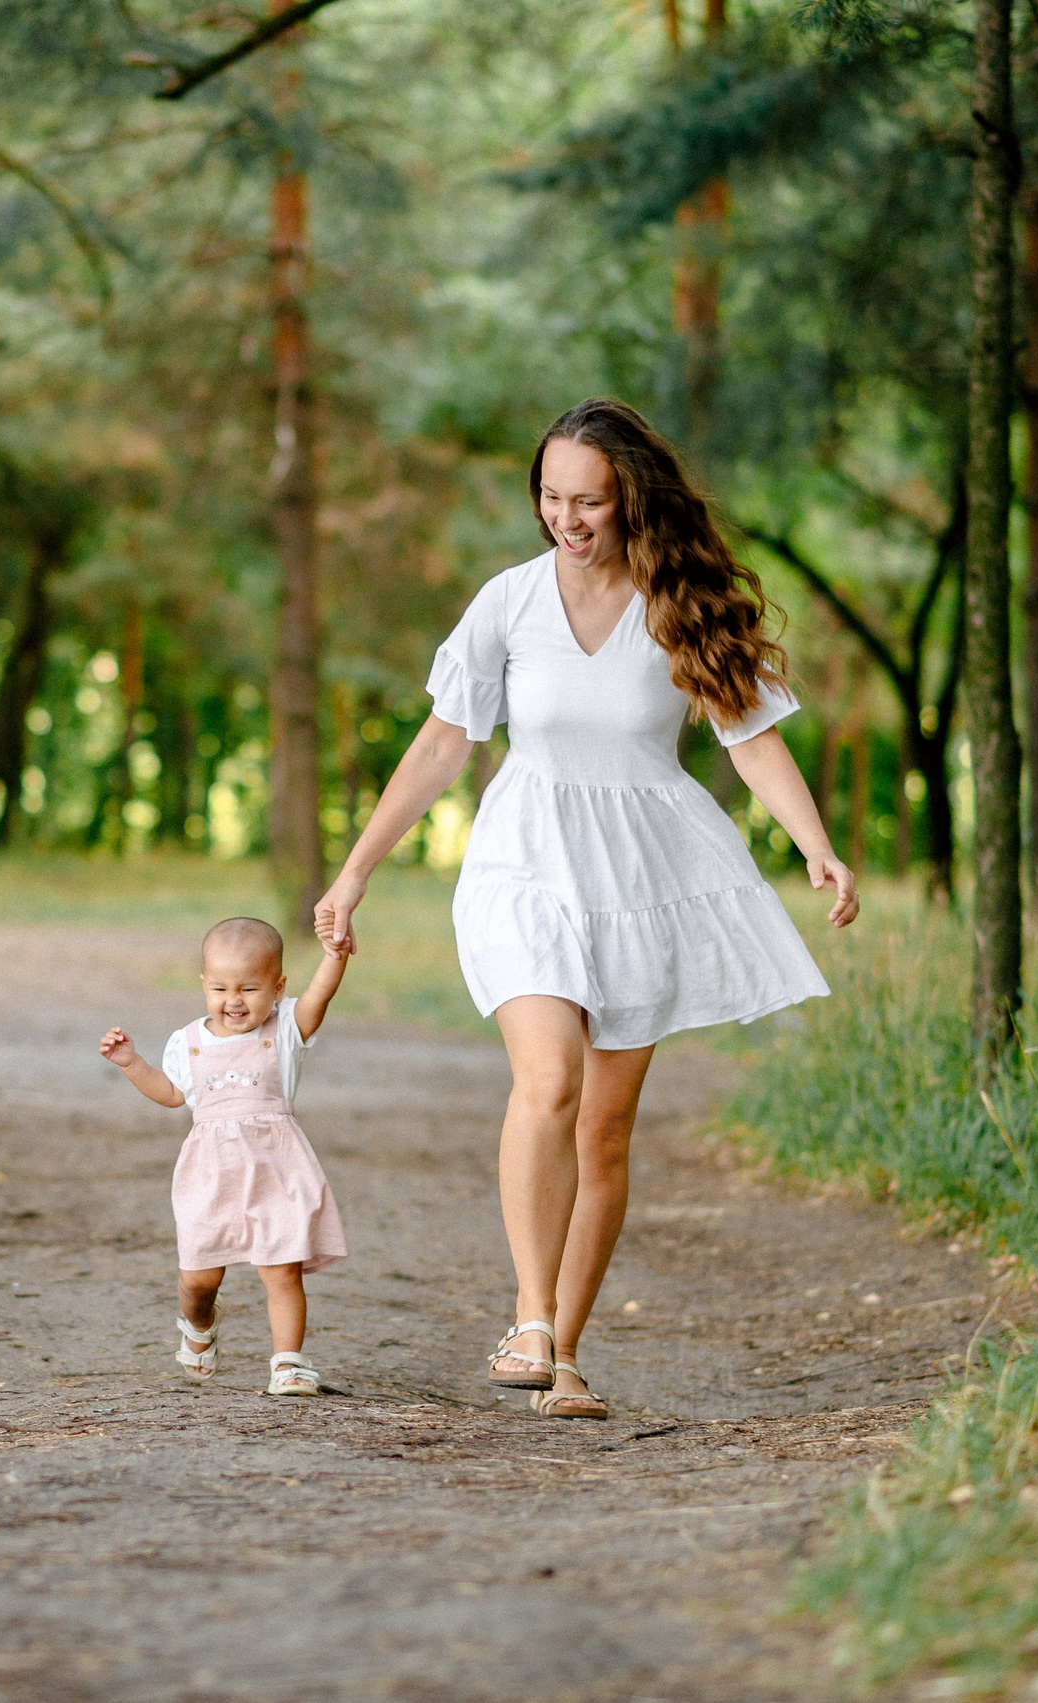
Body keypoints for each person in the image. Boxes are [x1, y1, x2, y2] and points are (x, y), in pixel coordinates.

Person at [315, 398, 857, 1420]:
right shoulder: (507, 603)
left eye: (589, 501)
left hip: (642, 873)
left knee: (604, 1132)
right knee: (550, 1077)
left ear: (629, 500)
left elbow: (750, 737)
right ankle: (528, 1317)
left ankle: (563, 1352)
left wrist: (817, 844)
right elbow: (442, 744)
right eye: (550, 498)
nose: (566, 519)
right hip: (524, 857)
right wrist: (354, 871)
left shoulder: (675, 604)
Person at [99, 917, 352, 1397]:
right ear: (202, 984)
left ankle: (289, 1364)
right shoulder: (188, 1040)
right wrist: (133, 1064)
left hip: (277, 1169)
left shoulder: (284, 1030)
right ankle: (199, 1326)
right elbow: (173, 1095)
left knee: (282, 1268)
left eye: (250, 989)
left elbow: (320, 998)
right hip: (211, 1176)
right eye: (220, 988)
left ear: (277, 987)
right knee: (198, 1279)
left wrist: (334, 957)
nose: (233, 1001)